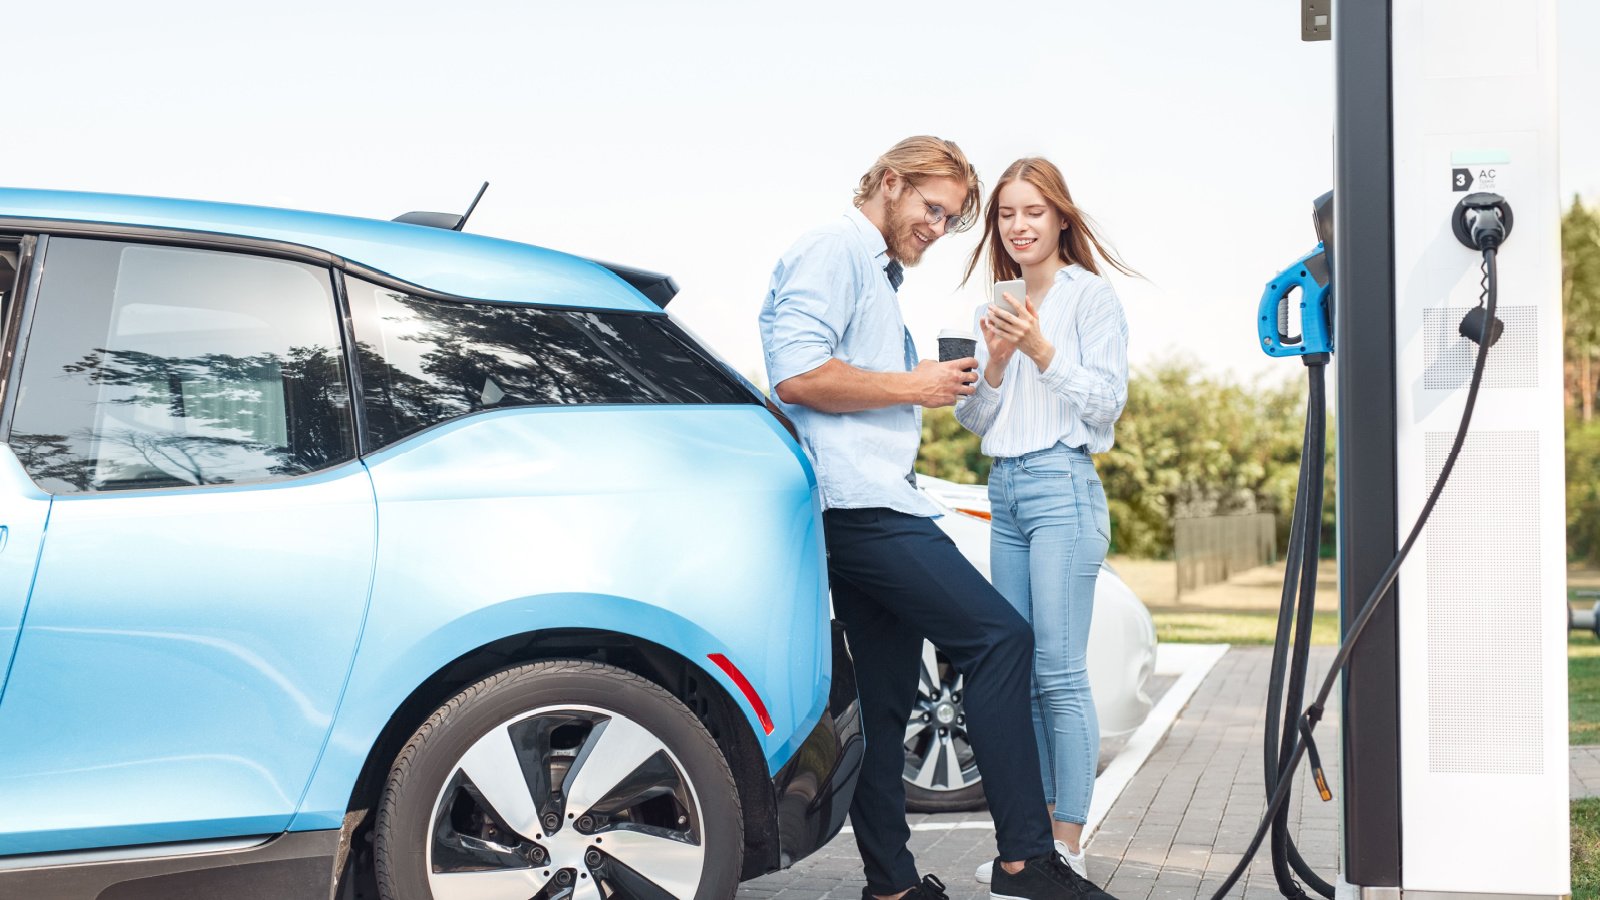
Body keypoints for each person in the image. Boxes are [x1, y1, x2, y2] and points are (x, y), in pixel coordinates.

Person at [759, 136, 1114, 900]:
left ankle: (892, 885)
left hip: (874, 499)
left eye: (951, 219)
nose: (937, 227)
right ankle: (1027, 859)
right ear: (890, 182)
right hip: (863, 507)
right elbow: (796, 375)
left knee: (884, 704)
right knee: (998, 640)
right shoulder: (834, 250)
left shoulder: (875, 275)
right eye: (932, 208)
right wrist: (914, 386)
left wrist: (945, 382)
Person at [955, 157, 1133, 885]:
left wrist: (1040, 350)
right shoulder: (990, 309)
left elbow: (1105, 403)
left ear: (1061, 217)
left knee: (1060, 676)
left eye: (1033, 211)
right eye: (1006, 214)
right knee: (1018, 673)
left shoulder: (1090, 299)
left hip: (1064, 488)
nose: (1019, 226)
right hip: (1008, 493)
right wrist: (996, 360)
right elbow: (973, 417)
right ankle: (1028, 849)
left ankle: (1066, 843)